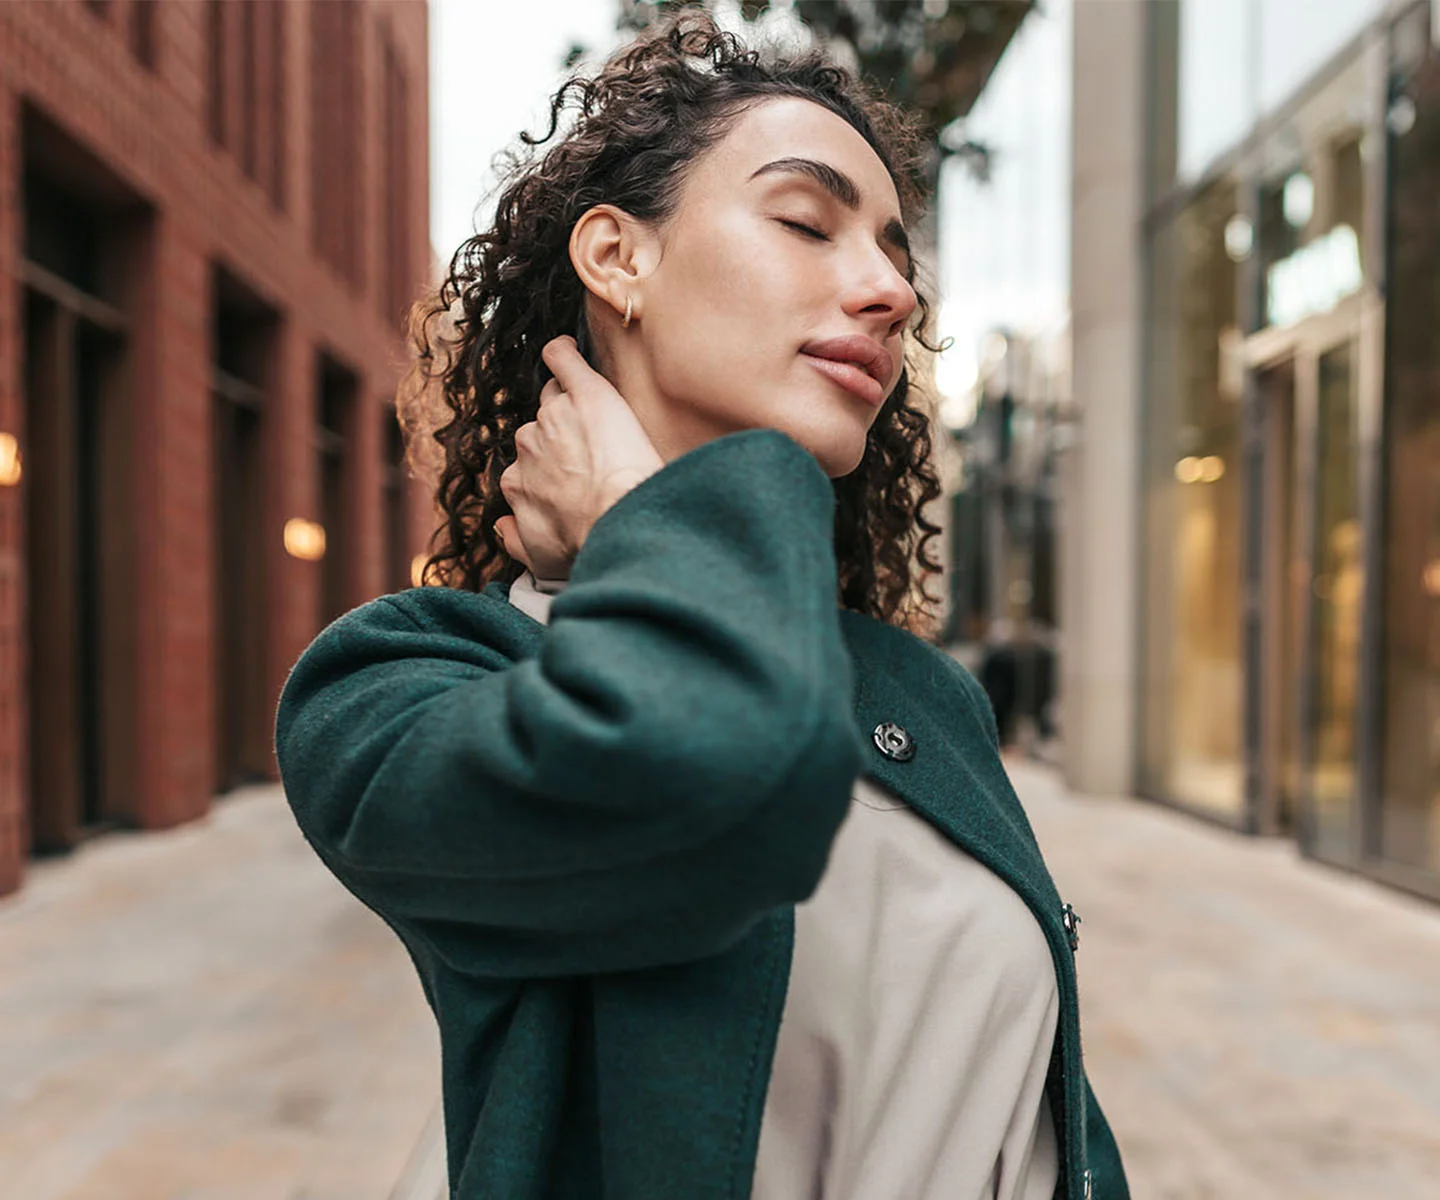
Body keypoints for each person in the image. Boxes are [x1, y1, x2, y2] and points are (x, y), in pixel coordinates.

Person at [274, 14, 1129, 1200]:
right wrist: (644, 522)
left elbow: (1046, 1123)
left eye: (896, 255)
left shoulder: (919, 690)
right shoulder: (401, 687)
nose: (888, 291)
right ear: (619, 257)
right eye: (804, 221)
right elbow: (727, 780)